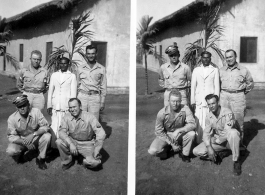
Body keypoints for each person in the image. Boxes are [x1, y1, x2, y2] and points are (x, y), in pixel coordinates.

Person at [193, 94, 242, 176]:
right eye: (209, 104)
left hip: (230, 142)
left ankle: (236, 161)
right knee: (196, 151)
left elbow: (227, 131)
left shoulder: (227, 112)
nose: (211, 106)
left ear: (218, 102)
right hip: (220, 143)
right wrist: (209, 147)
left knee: (233, 133)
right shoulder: (209, 116)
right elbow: (206, 133)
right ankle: (222, 153)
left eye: (213, 103)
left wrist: (216, 140)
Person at [56, 98, 106, 171]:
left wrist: (96, 150)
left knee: (95, 163)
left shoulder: (89, 116)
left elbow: (101, 133)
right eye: (70, 107)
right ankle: (68, 161)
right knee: (59, 141)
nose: (72, 109)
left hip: (87, 144)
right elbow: (61, 132)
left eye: (74, 107)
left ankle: (83, 160)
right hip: (72, 141)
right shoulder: (66, 117)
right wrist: (70, 144)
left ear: (80, 106)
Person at [148, 89, 196, 162]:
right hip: (166, 135)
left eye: (177, 101)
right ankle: (167, 152)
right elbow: (159, 132)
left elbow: (193, 124)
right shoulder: (161, 113)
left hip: (180, 134)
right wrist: (171, 143)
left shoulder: (185, 109)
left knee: (192, 134)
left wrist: (179, 130)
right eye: (173, 101)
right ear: (169, 101)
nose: (175, 104)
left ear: (180, 101)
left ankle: (184, 154)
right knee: (152, 151)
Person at [6, 95, 51, 170]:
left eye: (24, 105)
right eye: (20, 106)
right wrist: (25, 142)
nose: (22, 108)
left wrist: (34, 134)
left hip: (34, 138)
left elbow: (46, 126)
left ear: (28, 104)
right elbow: (11, 136)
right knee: (11, 150)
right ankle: (20, 154)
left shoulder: (36, 112)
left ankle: (40, 158)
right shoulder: (12, 118)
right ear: (17, 108)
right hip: (21, 141)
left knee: (47, 136)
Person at [219, 49, 254, 141]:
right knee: (224, 121)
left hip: (238, 96)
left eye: (231, 57)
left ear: (235, 57)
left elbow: (250, 83)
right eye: (227, 57)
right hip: (224, 97)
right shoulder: (221, 70)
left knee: (238, 122)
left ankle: (240, 145)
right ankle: (225, 145)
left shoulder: (243, 70)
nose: (229, 59)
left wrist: (241, 92)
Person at [47, 57, 77, 147]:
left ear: (68, 64)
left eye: (65, 63)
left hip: (65, 106)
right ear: (59, 64)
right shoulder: (54, 75)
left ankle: (63, 146)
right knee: (54, 126)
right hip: (55, 105)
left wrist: (72, 108)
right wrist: (49, 105)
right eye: (61, 63)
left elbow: (73, 94)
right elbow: (50, 91)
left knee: (64, 127)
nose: (63, 65)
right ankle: (53, 146)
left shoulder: (72, 76)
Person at [190, 51, 220, 143]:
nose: (205, 59)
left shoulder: (214, 70)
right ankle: (198, 142)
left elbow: (217, 87)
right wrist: (193, 101)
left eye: (208, 57)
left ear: (210, 59)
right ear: (201, 58)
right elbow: (193, 87)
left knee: (209, 122)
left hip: (210, 102)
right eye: (204, 57)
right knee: (199, 121)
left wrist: (216, 102)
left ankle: (208, 142)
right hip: (199, 101)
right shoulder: (196, 70)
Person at [77, 45, 107, 120]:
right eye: (89, 53)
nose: (91, 56)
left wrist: (102, 102)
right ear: (86, 54)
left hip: (94, 98)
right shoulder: (80, 68)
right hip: (82, 97)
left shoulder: (101, 68)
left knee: (93, 121)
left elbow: (103, 86)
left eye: (93, 53)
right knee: (81, 120)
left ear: (96, 54)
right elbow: (76, 84)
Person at [158, 42, 191, 106]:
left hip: (181, 93)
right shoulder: (163, 67)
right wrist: (167, 87)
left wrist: (182, 87)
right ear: (169, 56)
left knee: (183, 112)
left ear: (179, 55)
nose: (173, 57)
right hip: (168, 93)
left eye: (175, 55)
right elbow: (160, 80)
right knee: (168, 113)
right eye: (171, 55)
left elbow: (189, 80)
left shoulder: (185, 68)